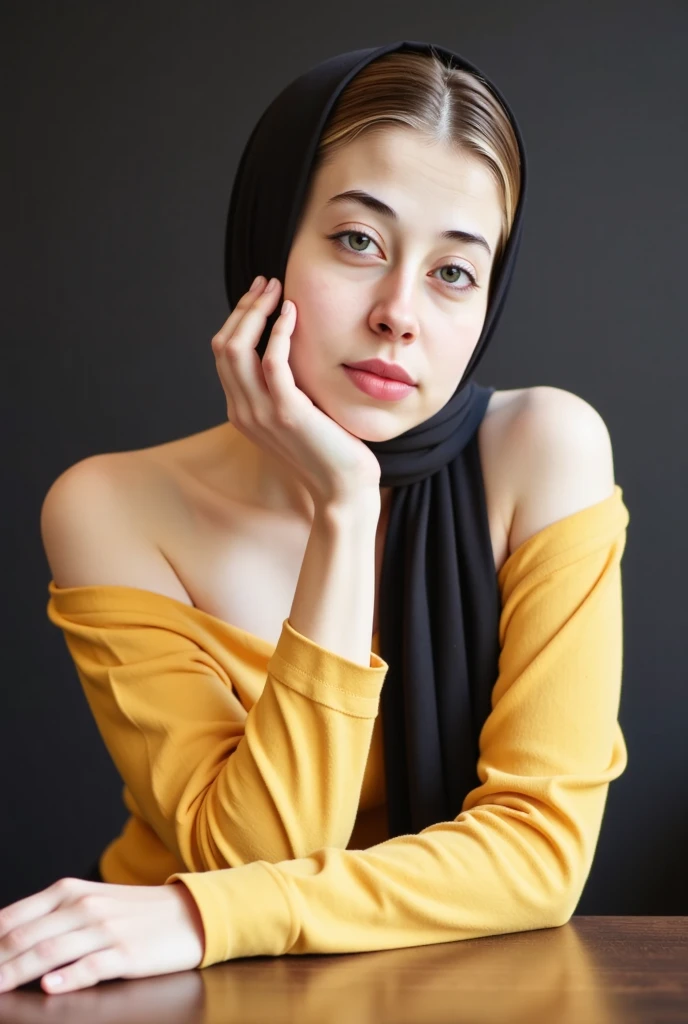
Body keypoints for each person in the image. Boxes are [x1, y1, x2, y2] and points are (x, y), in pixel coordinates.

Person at [0, 41, 629, 994]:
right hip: (180, 990)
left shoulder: (544, 453)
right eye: (358, 241)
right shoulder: (112, 508)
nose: (398, 314)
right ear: (267, 244)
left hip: (421, 986)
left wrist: (202, 914)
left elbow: (540, 859)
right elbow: (248, 856)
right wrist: (346, 509)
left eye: (454, 273)